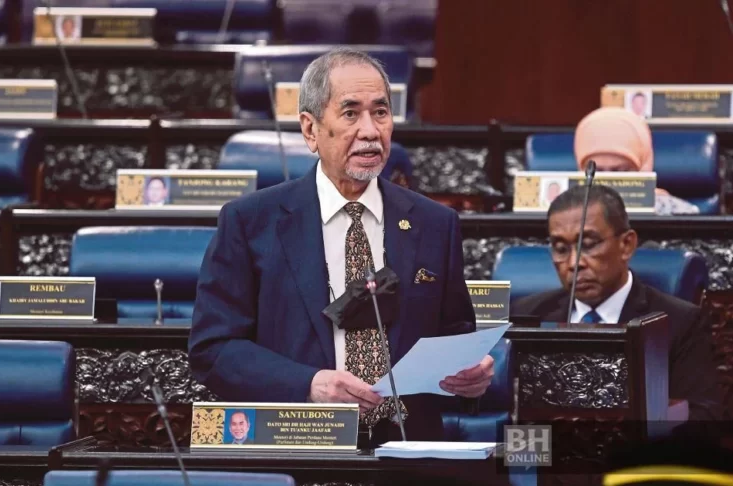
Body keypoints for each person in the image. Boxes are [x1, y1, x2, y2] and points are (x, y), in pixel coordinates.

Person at [189, 47, 495, 447]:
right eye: (350, 113)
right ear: (310, 130)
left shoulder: (435, 224)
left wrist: (471, 375)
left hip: (409, 452)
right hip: (299, 444)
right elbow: (213, 349)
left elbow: (456, 335)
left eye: (380, 112)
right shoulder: (250, 222)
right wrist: (308, 384)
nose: (370, 131)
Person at [511, 185, 722, 421]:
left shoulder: (680, 321)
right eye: (561, 249)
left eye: (588, 245)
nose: (574, 263)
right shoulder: (528, 315)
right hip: (547, 444)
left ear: (627, 245)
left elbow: (704, 416)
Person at [574, 106, 700, 215]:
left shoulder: (678, 214)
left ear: (643, 168)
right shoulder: (566, 215)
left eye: (620, 172)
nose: (608, 182)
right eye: (597, 172)